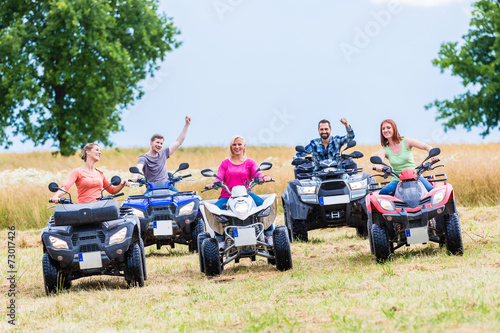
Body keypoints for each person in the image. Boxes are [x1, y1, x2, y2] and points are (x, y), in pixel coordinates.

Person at [205, 135, 272, 249]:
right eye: (234, 144)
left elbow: (257, 174)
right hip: (227, 196)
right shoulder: (225, 163)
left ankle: (269, 235)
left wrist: (264, 177)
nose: (237, 147)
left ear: (244, 146)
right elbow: (219, 177)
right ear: (231, 147)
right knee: (214, 211)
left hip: (246, 194)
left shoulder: (250, 162)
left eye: (239, 144)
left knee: (265, 206)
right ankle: (220, 240)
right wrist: (213, 183)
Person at [50, 143, 129, 204]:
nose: (100, 152)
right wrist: (56, 196)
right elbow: (65, 187)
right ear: (88, 152)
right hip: (83, 209)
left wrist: (122, 184)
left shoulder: (100, 174)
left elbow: (112, 190)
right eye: (97, 150)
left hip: (100, 208)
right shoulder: (77, 172)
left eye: (100, 151)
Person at [375, 119, 438, 196]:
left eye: (388, 127)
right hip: (397, 179)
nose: (385, 130)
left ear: (394, 128)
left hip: (415, 176)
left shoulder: (406, 141)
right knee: (382, 193)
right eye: (383, 129)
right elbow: (378, 161)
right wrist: (378, 166)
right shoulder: (384, 149)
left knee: (432, 192)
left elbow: (426, 146)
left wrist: (433, 154)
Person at [132, 116, 191, 189]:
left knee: (181, 198)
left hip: (167, 187)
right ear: (151, 142)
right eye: (157, 142)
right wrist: (135, 176)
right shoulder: (144, 158)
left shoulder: (164, 153)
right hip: (152, 189)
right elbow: (139, 167)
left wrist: (186, 125)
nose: (159, 145)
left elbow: (178, 141)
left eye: (161, 143)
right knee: (143, 200)